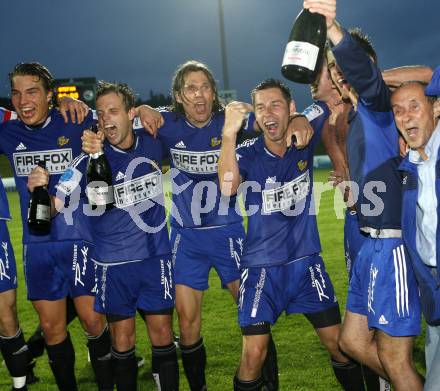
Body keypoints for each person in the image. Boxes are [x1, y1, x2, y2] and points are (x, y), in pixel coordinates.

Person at [135, 60, 303, 391]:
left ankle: (269, 385)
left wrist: (297, 116)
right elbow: (113, 119)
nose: (199, 95)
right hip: (185, 237)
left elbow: (275, 119)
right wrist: (140, 107)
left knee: (255, 316)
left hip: (229, 233)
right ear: (179, 96)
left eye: (205, 87)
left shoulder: (234, 121)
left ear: (214, 93)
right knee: (187, 323)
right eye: (191, 89)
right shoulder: (166, 124)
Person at [304, 1, 423, 389]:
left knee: (393, 356)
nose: (339, 77)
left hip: (391, 248)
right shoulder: (354, 117)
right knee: (352, 341)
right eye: (335, 72)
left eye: (343, 68)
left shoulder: (376, 106)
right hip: (367, 245)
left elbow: (367, 78)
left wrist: (333, 30)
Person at [218, 78, 365, 391]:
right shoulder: (248, 152)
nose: (269, 113)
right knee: (254, 355)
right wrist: (228, 134)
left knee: (341, 346)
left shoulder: (304, 131)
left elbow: (330, 98)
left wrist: (301, 119)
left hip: (306, 264)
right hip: (261, 270)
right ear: (255, 117)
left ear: (291, 108)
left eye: (276, 105)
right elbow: (228, 187)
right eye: (261, 108)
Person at [33, 81, 179, 390]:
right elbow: (50, 212)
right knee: (122, 341)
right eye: (101, 114)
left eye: (114, 111)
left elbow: (187, 120)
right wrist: (39, 191)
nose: (106, 119)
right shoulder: (84, 162)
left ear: (130, 113)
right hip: (113, 267)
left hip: (156, 259)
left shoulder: (153, 142)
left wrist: (153, 108)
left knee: (164, 335)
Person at [0, 62, 113, 391]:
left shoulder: (76, 120)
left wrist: (82, 105)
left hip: (79, 238)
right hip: (38, 246)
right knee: (52, 330)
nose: (23, 100)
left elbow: (116, 119)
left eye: (33, 91)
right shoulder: (8, 132)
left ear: (51, 95)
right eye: (17, 93)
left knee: (93, 321)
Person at [391, 74, 440, 391]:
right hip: (433, 298)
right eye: (398, 110)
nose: (406, 115)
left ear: (436, 109)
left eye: (414, 105)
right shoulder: (410, 166)